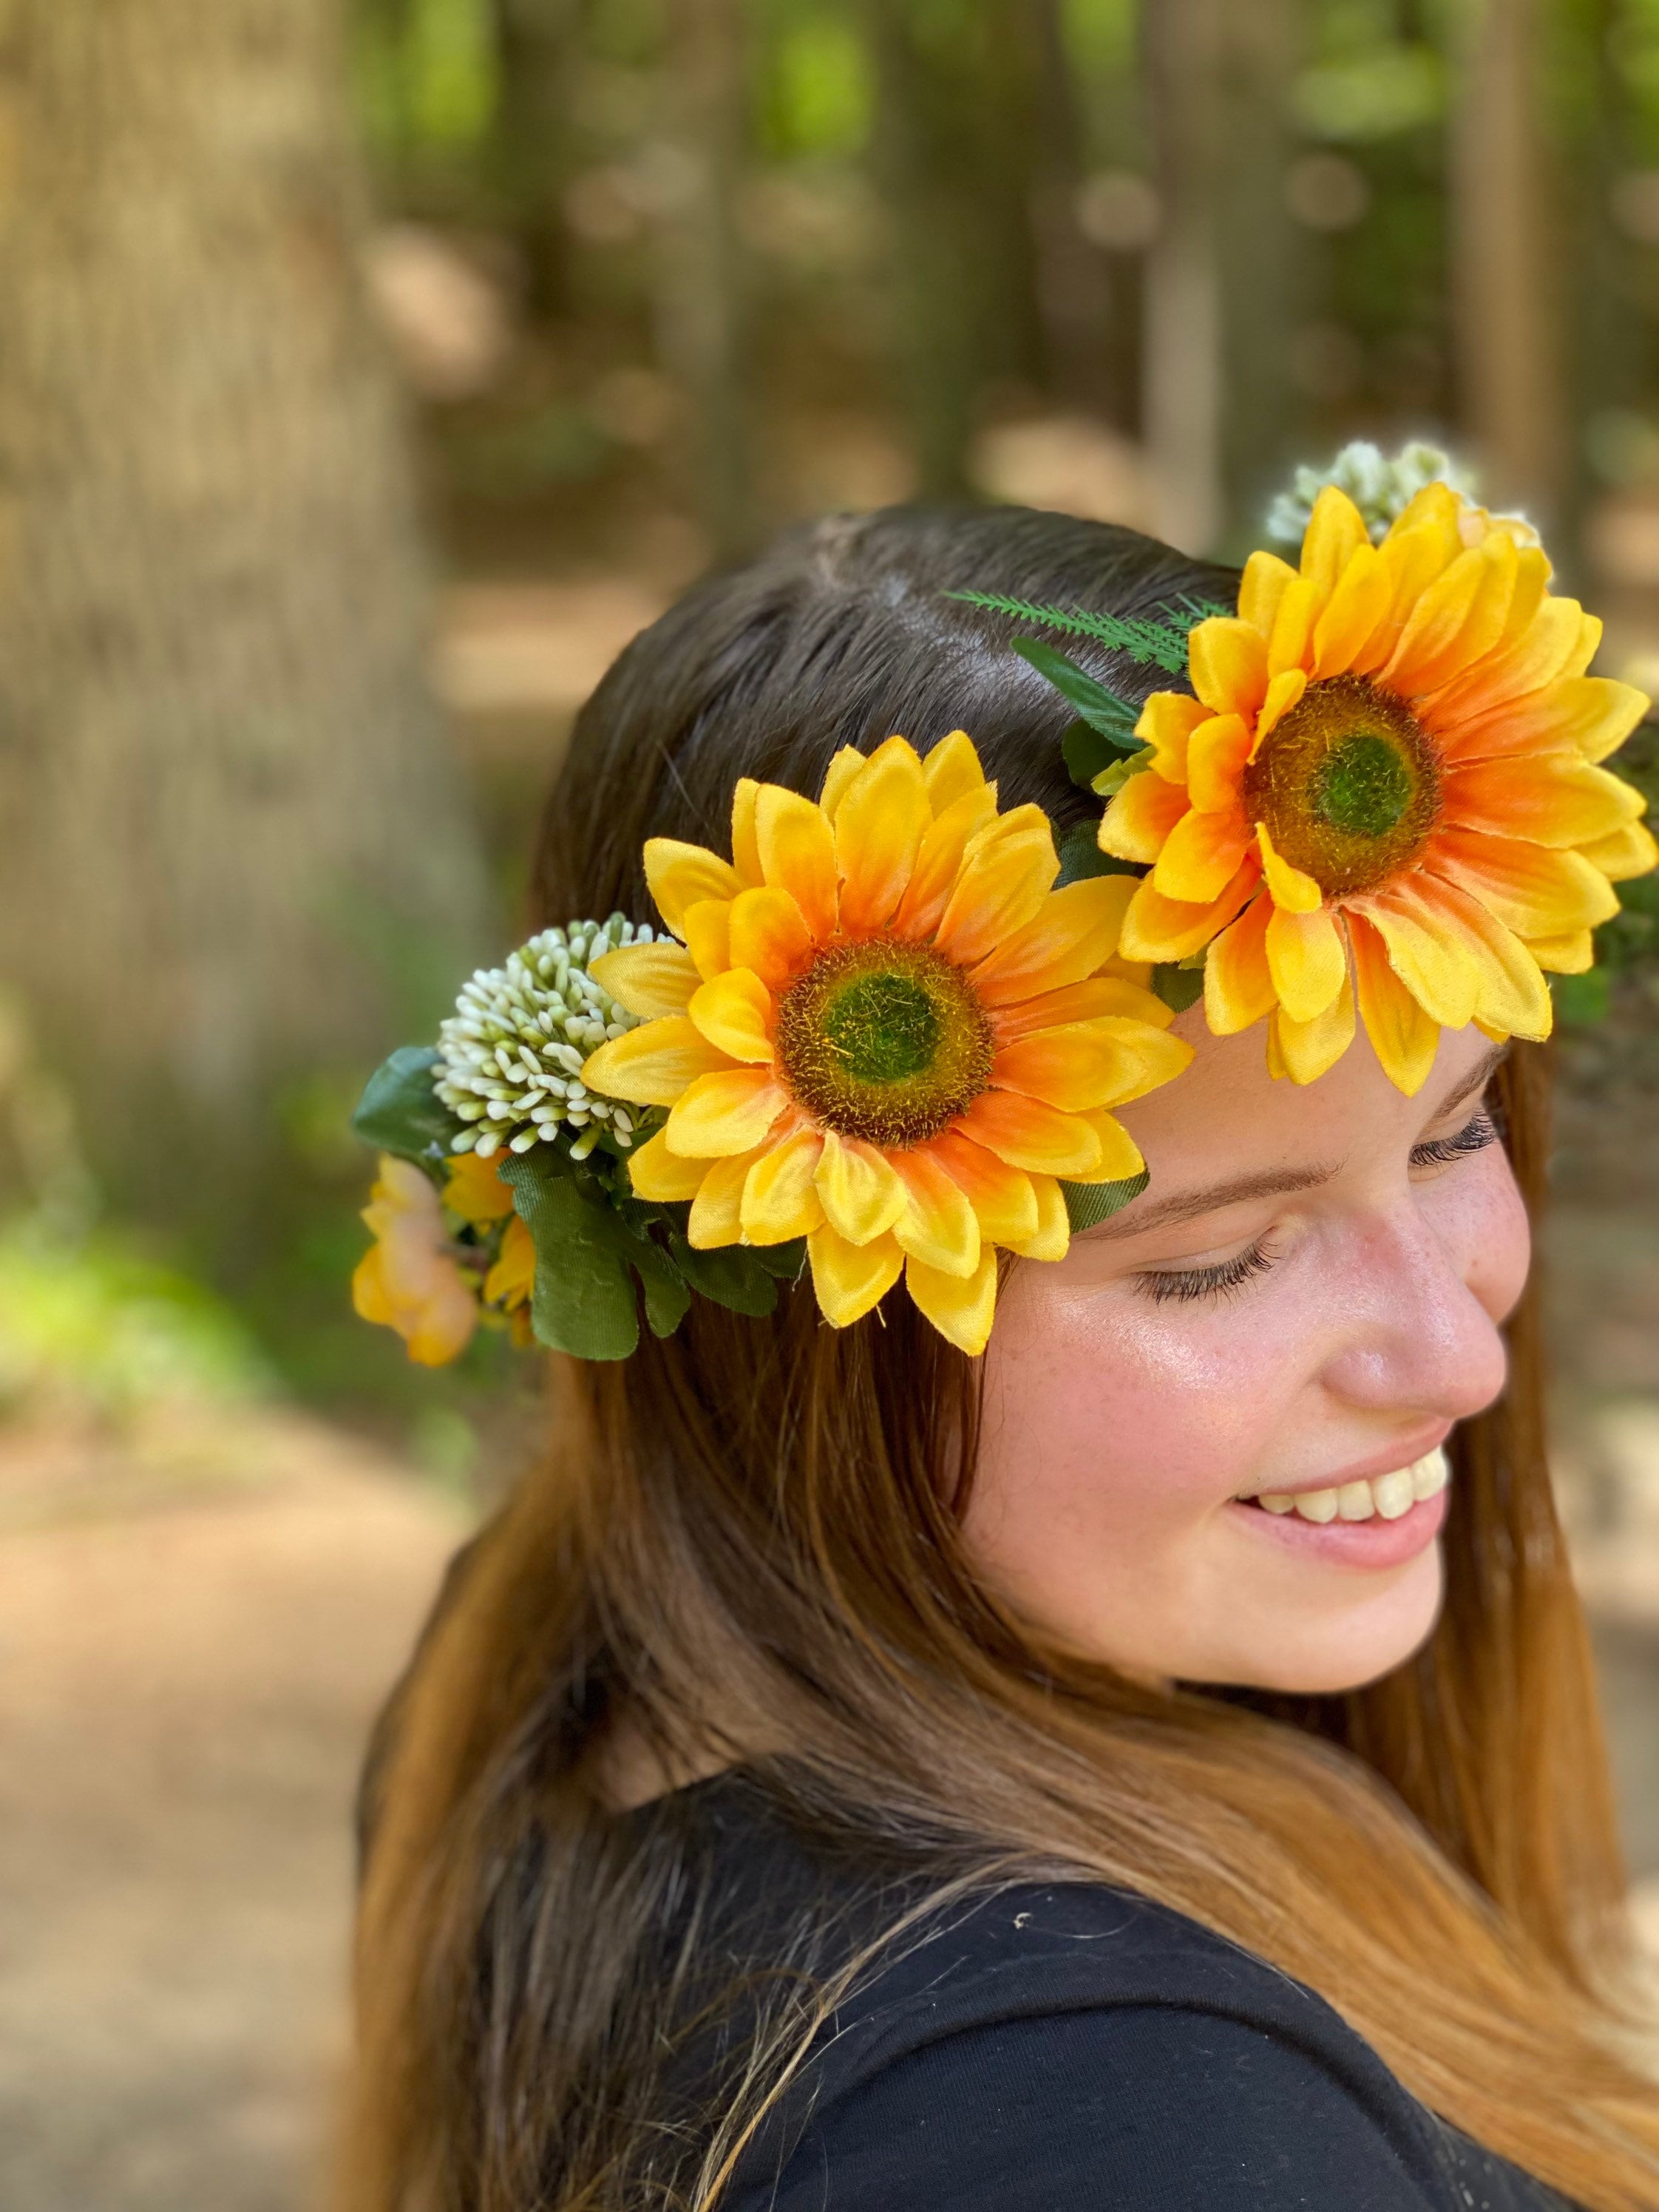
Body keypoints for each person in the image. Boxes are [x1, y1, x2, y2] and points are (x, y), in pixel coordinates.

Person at [339, 479, 1659, 2211]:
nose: (1458, 1359)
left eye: (1453, 1134)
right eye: (1216, 1260)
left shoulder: (546, 1665)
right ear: (807, 1323)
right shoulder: (1118, 2126)